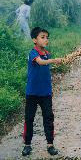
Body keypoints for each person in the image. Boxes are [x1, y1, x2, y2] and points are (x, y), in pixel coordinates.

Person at [22, 27, 62, 156]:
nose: (46, 40)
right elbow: (40, 62)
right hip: (32, 93)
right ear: (34, 39)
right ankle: (27, 145)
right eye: (42, 37)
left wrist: (58, 61)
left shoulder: (47, 54)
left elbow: (46, 65)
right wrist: (54, 60)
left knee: (48, 118)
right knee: (29, 118)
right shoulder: (33, 53)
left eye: (47, 37)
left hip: (45, 93)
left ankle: (50, 145)